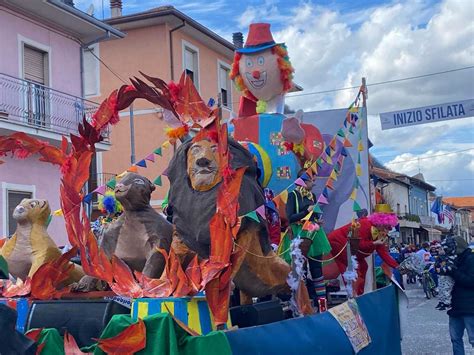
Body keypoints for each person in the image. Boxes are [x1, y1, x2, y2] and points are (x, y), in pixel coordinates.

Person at [279, 169, 332, 307]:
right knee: (300, 270)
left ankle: (322, 305)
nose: (313, 183)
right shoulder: (293, 196)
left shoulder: (312, 196)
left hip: (312, 233)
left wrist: (316, 220)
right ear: (303, 181)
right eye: (311, 180)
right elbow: (290, 218)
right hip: (298, 235)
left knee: (316, 269)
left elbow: (312, 216)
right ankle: (302, 305)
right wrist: (305, 212)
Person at [447, 236, 474, 355]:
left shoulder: (471, 259)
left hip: (470, 308)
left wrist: (454, 272)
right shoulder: (456, 259)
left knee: (472, 339)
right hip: (456, 307)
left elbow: (471, 281)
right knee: (455, 338)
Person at [435, 236, 456, 311]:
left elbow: (451, 267)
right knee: (441, 289)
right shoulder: (442, 256)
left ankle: (447, 303)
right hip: (442, 275)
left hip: (447, 275)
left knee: (446, 289)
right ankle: (442, 302)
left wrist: (442, 269)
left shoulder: (452, 256)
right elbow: (437, 264)